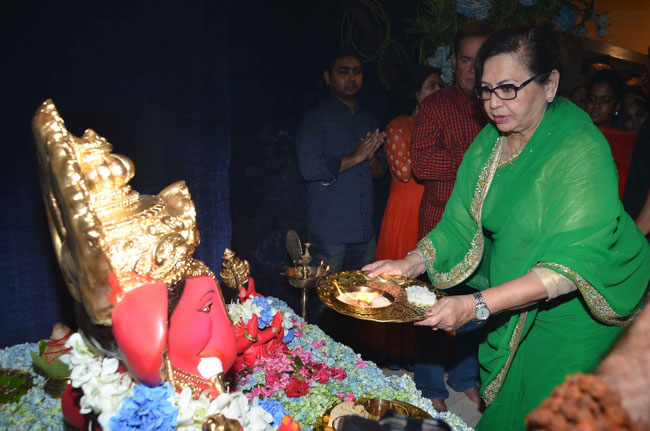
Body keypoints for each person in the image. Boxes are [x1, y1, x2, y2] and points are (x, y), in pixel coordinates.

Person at [363, 21, 650, 431]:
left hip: (580, 308)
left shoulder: (580, 148)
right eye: (486, 89)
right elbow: (459, 224)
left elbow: (569, 268)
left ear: (550, 84)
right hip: (517, 287)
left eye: (509, 88)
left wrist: (475, 305)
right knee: (509, 406)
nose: (494, 103)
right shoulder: (490, 142)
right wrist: (407, 265)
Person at [409, 22, 494, 413]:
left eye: (481, 59)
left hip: (486, 228)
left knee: (474, 308)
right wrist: (477, 160)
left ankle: (464, 378)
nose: (473, 69)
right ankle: (429, 386)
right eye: (465, 59)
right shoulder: (436, 105)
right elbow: (423, 163)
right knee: (431, 308)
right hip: (440, 227)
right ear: (453, 62)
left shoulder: (497, 104)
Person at [373, 66, 441, 371]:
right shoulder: (400, 125)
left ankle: (419, 352)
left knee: (425, 285)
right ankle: (392, 351)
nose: (438, 91)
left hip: (432, 205)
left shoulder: (438, 124)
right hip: (406, 208)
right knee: (398, 282)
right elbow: (402, 170)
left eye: (439, 85)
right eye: (431, 85)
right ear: (415, 91)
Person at [296, 46, 386, 275]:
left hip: (365, 232)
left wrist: (371, 159)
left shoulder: (369, 119)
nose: (351, 78)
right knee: (325, 296)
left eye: (357, 72)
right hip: (330, 234)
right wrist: (356, 156)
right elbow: (309, 168)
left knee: (364, 294)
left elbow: (380, 172)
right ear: (328, 77)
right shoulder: (316, 119)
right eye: (343, 72)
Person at [585, 69, 636, 197]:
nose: (596, 106)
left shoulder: (628, 144)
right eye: (591, 99)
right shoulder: (573, 135)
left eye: (605, 100)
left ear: (617, 106)